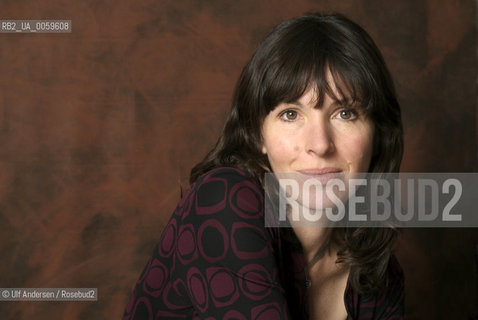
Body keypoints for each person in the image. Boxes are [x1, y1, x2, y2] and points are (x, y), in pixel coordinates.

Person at [123, 12, 404, 319]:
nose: (320, 144)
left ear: (378, 135)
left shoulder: (379, 273)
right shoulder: (223, 203)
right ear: (259, 135)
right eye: (291, 115)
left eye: (345, 114)